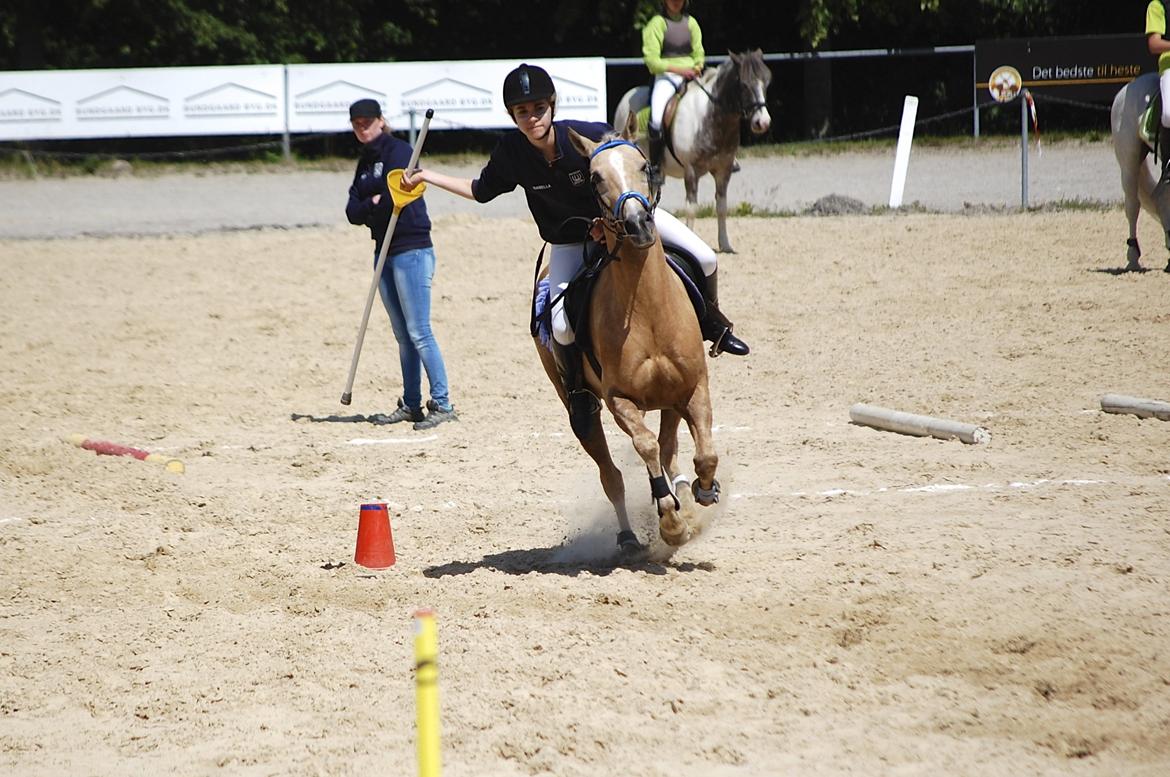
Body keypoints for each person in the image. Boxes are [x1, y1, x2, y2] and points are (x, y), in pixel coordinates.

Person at [402, 64, 747, 440]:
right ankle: (580, 394)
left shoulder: (589, 134)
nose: (532, 117)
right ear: (512, 116)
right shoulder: (511, 152)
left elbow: (627, 168)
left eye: (538, 108)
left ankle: (714, 325)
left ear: (552, 105)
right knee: (562, 326)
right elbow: (481, 190)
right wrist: (427, 176)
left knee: (706, 256)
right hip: (570, 243)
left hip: (627, 220)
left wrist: (613, 215)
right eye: (522, 112)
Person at [345, 98, 456, 430]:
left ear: (381, 121)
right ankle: (411, 403)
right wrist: (372, 203)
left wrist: (375, 203)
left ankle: (443, 402)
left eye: (368, 121)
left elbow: (396, 197)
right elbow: (352, 211)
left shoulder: (398, 151)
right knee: (402, 334)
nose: (363, 127)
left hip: (412, 248)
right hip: (383, 250)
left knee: (419, 331)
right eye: (357, 123)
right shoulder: (365, 161)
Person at [642, 0, 704, 187]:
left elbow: (699, 51)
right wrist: (679, 70)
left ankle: (725, 155)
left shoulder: (691, 22)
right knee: (656, 117)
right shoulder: (657, 24)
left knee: (716, 102)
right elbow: (652, 61)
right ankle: (656, 166)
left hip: (691, 75)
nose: (676, 2)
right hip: (666, 77)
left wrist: (699, 65)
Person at [1147, 0, 1170, 182]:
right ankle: (1168, 165)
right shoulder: (1158, 5)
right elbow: (1154, 43)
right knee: (1169, 114)